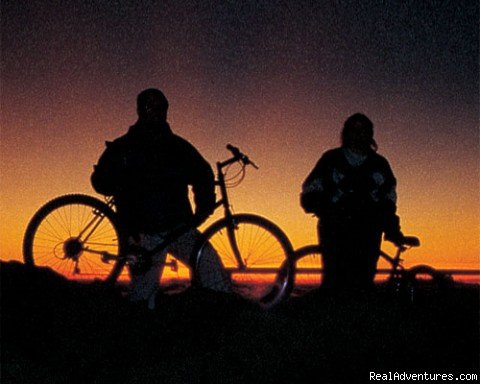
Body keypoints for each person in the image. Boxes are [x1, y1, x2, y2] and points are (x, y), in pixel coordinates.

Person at [91, 88, 230, 307]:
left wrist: (202, 210)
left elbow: (202, 173)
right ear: (140, 110)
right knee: (143, 301)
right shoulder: (123, 148)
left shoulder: (178, 147)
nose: (156, 111)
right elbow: (100, 182)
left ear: (166, 110)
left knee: (212, 269)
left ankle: (224, 319)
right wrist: (121, 181)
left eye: (160, 107)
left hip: (179, 229)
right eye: (150, 106)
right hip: (142, 235)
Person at [300, 113, 404, 291]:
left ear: (369, 134)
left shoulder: (379, 164)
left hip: (368, 230)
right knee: (334, 280)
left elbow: (389, 197)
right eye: (354, 130)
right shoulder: (331, 160)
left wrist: (390, 226)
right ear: (346, 133)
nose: (358, 134)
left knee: (363, 281)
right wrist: (325, 207)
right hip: (334, 227)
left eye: (363, 130)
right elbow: (311, 189)